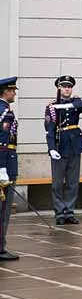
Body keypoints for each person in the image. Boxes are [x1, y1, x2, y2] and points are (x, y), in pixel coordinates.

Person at [46, 75, 82, 225]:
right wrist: (52, 148)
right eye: (64, 86)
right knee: (58, 183)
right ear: (58, 88)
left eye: (69, 86)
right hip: (60, 145)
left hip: (74, 146)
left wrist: (72, 105)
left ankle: (69, 211)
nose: (67, 89)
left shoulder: (75, 103)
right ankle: (59, 212)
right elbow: (49, 130)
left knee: (73, 182)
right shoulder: (52, 107)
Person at [0, 76, 19, 261]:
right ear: (5, 91)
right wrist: (3, 168)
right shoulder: (6, 112)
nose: (14, 93)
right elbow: (2, 143)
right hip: (6, 161)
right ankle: (0, 248)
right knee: (3, 210)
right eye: (12, 90)